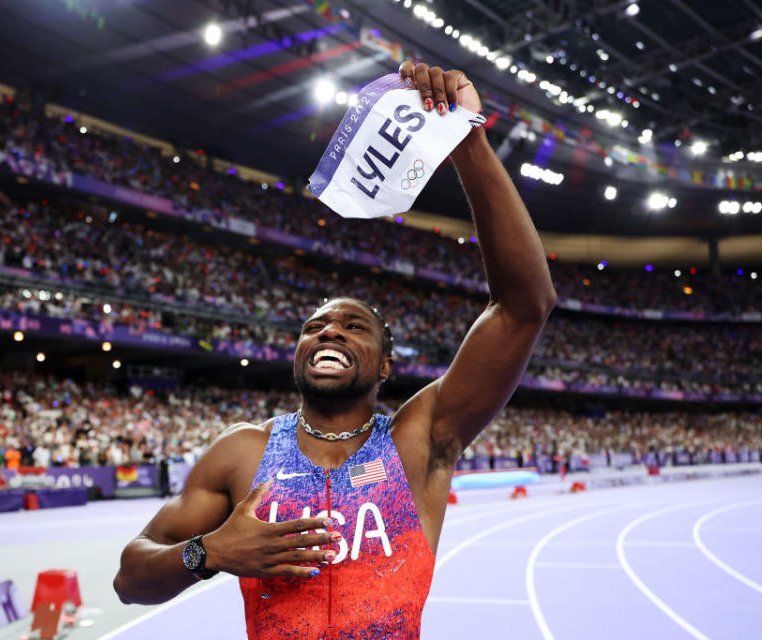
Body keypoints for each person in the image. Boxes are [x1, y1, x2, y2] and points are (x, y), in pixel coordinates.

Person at [113, 62, 556, 639]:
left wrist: (467, 139)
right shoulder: (241, 454)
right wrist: (209, 552)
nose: (329, 333)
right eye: (315, 326)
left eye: (354, 327)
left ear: (385, 366)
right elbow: (129, 577)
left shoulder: (419, 439)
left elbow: (525, 305)